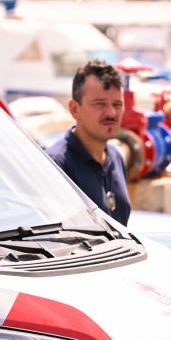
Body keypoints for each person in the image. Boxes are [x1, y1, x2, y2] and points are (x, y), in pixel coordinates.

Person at [46, 59, 131, 225]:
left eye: (117, 104)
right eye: (100, 104)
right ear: (74, 109)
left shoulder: (115, 157)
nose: (111, 113)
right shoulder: (57, 165)